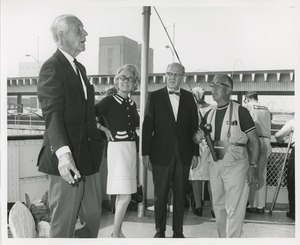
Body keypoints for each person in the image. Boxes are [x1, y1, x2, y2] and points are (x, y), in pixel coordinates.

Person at [37, 14, 104, 238]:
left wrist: (97, 126)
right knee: (63, 223)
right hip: (67, 160)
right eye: (79, 29)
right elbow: (52, 114)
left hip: (88, 158)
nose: (85, 34)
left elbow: (81, 112)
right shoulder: (52, 67)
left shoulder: (80, 69)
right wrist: (64, 156)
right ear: (61, 35)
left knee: (93, 217)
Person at [194, 74, 260, 238]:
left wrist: (253, 166)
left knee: (234, 209)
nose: (213, 88)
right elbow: (196, 138)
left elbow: (255, 142)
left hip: (237, 165)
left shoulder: (241, 111)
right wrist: (198, 135)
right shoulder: (209, 113)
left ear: (229, 89)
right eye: (212, 85)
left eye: (218, 85)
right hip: (215, 164)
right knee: (218, 208)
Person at [142, 62, 199, 238]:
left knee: (180, 196)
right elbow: (147, 127)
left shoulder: (190, 98)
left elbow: (194, 127)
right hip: (160, 155)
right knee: (160, 196)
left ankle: (178, 232)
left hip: (183, 154)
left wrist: (196, 153)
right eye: (169, 73)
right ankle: (159, 232)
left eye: (176, 74)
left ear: (183, 76)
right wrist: (144, 153)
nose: (172, 77)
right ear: (165, 75)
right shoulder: (154, 96)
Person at [95, 64, 140, 238]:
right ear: (116, 80)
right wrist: (104, 129)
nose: (126, 82)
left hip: (130, 149)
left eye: (130, 79)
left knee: (125, 193)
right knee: (126, 195)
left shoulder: (131, 102)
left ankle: (118, 231)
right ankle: (115, 234)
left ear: (134, 83)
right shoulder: (109, 101)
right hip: (118, 149)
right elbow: (90, 115)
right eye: (123, 78)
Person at [244, 91, 272, 214]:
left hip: (254, 142)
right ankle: (261, 206)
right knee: (262, 176)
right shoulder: (266, 108)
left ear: (248, 98)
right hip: (267, 141)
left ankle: (252, 204)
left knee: (251, 173)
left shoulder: (248, 106)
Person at [189, 87, 214, 217]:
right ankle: (214, 207)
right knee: (210, 177)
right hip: (209, 145)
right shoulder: (213, 108)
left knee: (196, 177)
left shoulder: (191, 109)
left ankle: (198, 206)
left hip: (197, 144)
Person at [275, 118, 295, 220]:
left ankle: (294, 212)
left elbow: (278, 135)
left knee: (293, 182)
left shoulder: (295, 121)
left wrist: (280, 140)